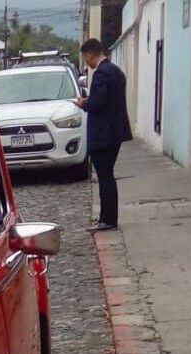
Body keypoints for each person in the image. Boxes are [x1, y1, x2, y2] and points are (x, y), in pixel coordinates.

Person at [73, 38, 132, 233]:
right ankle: (107, 217)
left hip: (103, 135)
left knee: (105, 177)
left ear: (90, 54)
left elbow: (97, 104)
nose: (86, 62)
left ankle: (108, 218)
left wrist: (83, 104)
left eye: (85, 58)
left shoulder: (101, 74)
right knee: (108, 175)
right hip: (115, 132)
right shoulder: (116, 71)